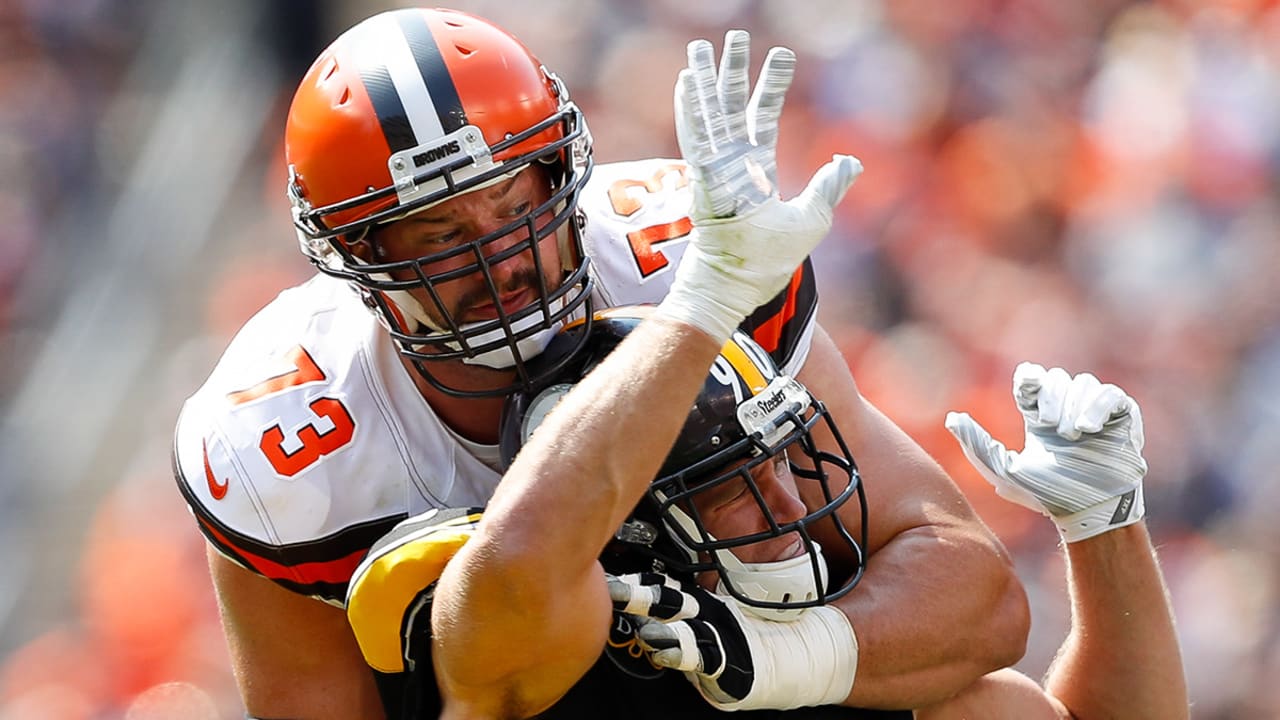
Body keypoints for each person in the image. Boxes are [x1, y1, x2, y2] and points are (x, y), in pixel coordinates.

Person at [171, 8, 1027, 719]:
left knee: (995, 710)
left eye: (515, 207)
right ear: (358, 258)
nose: (499, 259)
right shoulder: (285, 440)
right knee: (537, 592)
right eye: (441, 238)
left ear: (560, 174)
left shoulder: (679, 249)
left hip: (741, 662)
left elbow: (978, 595)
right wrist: (697, 314)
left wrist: (775, 660)